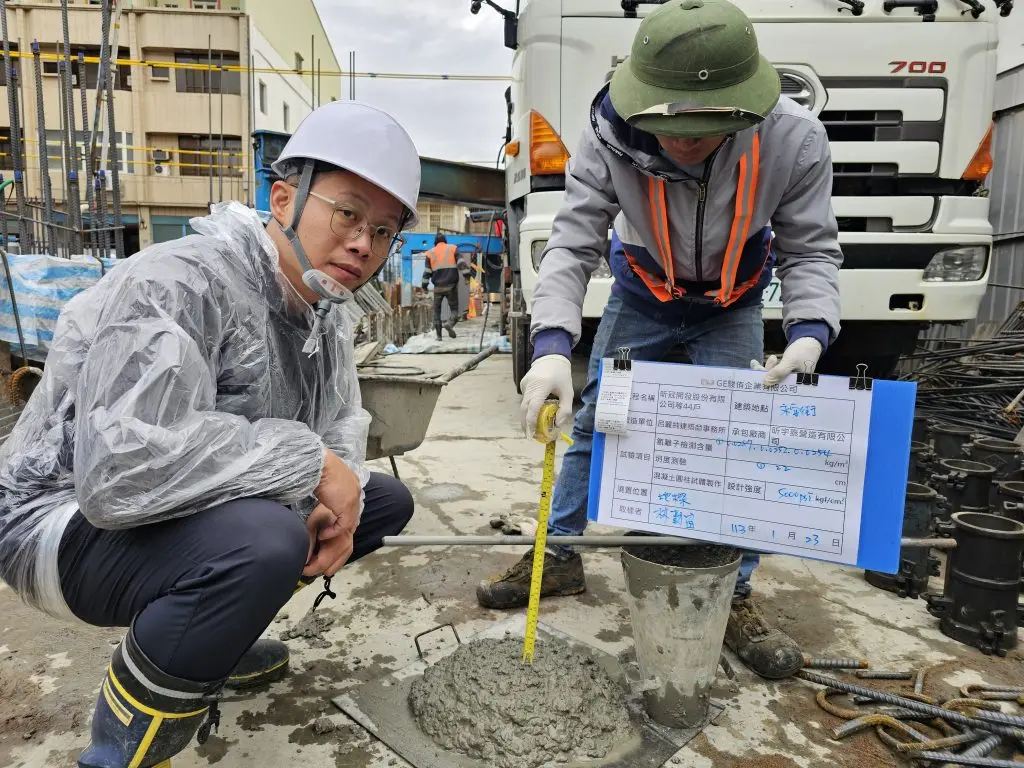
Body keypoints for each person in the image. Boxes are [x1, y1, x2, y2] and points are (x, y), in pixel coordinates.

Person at [0, 100, 423, 767]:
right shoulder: (184, 282)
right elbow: (118, 471)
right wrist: (310, 464)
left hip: (171, 511)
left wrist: (332, 489)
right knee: (267, 539)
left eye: (383, 230)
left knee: (379, 502)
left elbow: (339, 424)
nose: (363, 244)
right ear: (283, 198)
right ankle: (120, 749)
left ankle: (213, 640)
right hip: (62, 518)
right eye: (346, 213)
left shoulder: (322, 314)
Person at [476, 0, 842, 680]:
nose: (680, 143)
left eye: (701, 131)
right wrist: (551, 344)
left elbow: (810, 249)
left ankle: (732, 592)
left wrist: (810, 332)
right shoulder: (608, 132)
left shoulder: (795, 141)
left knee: (738, 439)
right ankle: (557, 557)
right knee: (596, 422)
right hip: (642, 296)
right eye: (668, 127)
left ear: (743, 111)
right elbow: (573, 242)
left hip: (732, 303)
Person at [422, 234, 469, 339]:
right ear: (445, 241)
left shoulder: (430, 253)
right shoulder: (453, 249)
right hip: (451, 286)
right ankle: (449, 324)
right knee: (454, 310)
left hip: (438, 288)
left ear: (435, 243)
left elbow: (427, 272)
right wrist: (466, 276)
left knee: (437, 312)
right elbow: (461, 263)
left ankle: (439, 336)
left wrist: (424, 286)